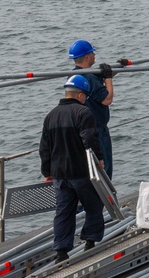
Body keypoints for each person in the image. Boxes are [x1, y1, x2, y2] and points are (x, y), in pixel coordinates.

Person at [39, 75, 105, 263]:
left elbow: (44, 148)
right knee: (94, 205)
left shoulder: (50, 116)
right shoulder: (83, 113)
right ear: (80, 95)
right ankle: (90, 241)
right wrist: (99, 159)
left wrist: (47, 172)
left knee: (63, 212)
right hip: (81, 172)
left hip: (60, 175)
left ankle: (61, 250)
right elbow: (90, 139)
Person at [69, 40, 115, 178]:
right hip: (98, 129)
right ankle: (106, 198)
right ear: (87, 57)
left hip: (81, 128)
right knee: (104, 168)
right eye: (92, 52)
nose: (95, 55)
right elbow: (107, 99)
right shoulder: (89, 77)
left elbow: (95, 87)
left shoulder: (73, 75)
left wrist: (108, 74)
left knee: (90, 169)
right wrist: (108, 79)